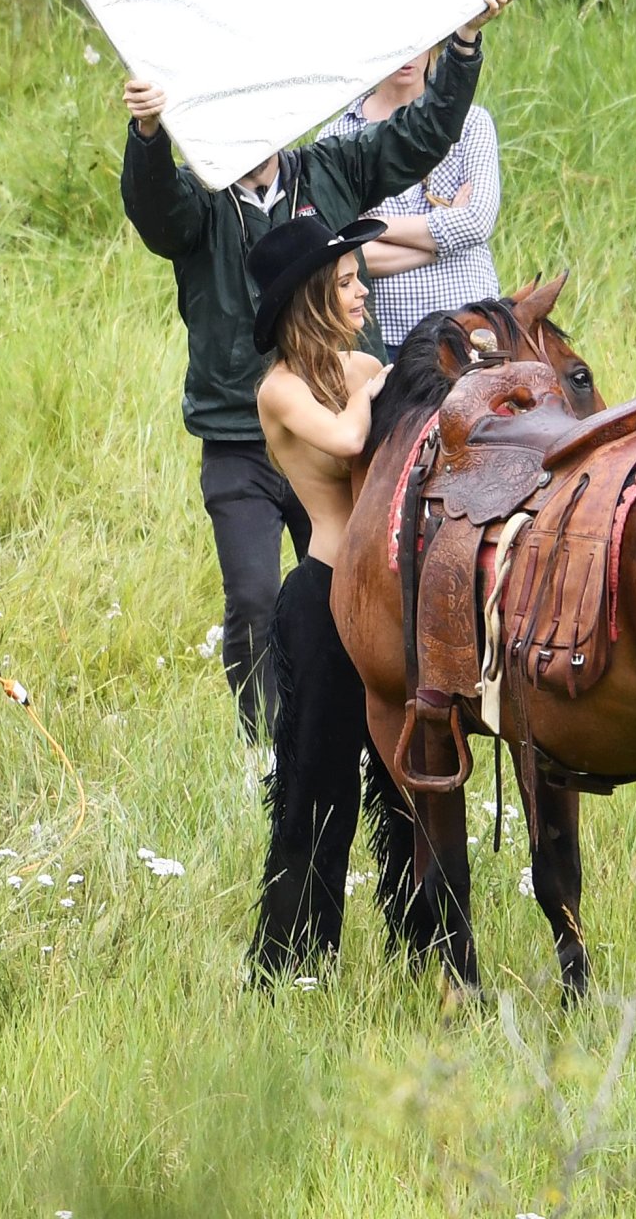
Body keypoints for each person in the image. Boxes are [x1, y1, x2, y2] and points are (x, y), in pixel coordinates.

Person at [119, 0, 517, 759]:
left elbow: (421, 135)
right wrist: (146, 132)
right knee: (252, 597)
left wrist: (464, 42)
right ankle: (264, 750)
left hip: (338, 422)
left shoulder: (327, 169)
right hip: (238, 437)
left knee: (355, 585)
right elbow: (154, 209)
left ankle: (356, 734)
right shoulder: (200, 203)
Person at [241, 214, 390, 975]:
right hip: (325, 599)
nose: (362, 292)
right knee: (317, 784)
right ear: (311, 300)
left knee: (402, 777)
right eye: (346, 283)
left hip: (382, 595)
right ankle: (295, 959)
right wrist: (381, 384)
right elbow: (347, 441)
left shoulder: (359, 367)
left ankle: (420, 945)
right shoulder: (280, 391)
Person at [318, 47, 501, 356]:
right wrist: (445, 241)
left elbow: (476, 223)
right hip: (386, 338)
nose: (409, 55)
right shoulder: (335, 137)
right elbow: (347, 255)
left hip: (470, 327)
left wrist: (372, 225)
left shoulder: (471, 122)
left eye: (419, 42)